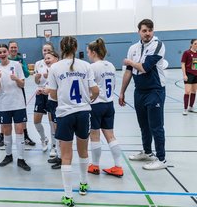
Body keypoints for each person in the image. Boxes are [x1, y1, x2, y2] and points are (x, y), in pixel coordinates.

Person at [47, 36, 99, 206]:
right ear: (76, 47)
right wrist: (87, 101)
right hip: (83, 113)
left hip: (64, 114)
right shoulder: (86, 66)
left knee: (66, 156)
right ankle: (83, 184)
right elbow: (95, 90)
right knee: (83, 151)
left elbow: (53, 95)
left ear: (61, 48)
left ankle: (68, 196)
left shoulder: (54, 67)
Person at [119, 19, 167, 170]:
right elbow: (128, 72)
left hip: (155, 90)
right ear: (139, 31)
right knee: (144, 125)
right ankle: (147, 152)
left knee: (156, 126)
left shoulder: (158, 45)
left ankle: (161, 159)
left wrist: (130, 62)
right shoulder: (133, 48)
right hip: (139, 91)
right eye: (144, 30)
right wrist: (122, 92)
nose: (147, 33)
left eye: (150, 30)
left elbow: (145, 67)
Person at [86, 38, 123, 177]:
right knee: (110, 136)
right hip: (109, 104)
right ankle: (118, 166)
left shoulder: (92, 67)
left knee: (94, 136)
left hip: (96, 105)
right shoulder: (111, 66)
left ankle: (95, 165)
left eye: (89, 52)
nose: (88, 55)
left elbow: (89, 87)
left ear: (94, 52)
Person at [0, 43, 31, 171]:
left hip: (18, 103)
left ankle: (21, 158)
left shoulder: (17, 65)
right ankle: (8, 156)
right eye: (0, 52)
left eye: (4, 51)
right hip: (4, 104)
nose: (2, 54)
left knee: (19, 130)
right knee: (7, 131)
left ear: (8, 52)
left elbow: (22, 85)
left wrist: (16, 79)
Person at [0, 40, 36, 147]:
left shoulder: (20, 60)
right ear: (8, 49)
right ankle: (2, 136)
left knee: (21, 115)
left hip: (18, 89)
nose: (13, 49)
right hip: (6, 91)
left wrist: (21, 66)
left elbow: (27, 74)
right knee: (5, 115)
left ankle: (25, 136)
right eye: (11, 47)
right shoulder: (4, 59)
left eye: (15, 47)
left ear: (17, 49)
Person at [33, 42, 57, 155]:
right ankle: (43, 139)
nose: (46, 52)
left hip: (52, 95)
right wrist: (37, 79)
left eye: (48, 50)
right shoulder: (38, 64)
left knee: (52, 122)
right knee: (36, 121)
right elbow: (37, 81)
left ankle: (53, 146)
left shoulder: (56, 65)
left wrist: (49, 77)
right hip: (40, 94)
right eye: (44, 50)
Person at [43, 50, 62, 169]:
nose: (47, 60)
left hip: (57, 102)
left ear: (56, 58)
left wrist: (46, 91)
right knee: (55, 129)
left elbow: (56, 88)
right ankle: (59, 155)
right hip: (52, 101)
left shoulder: (56, 68)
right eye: (45, 58)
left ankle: (61, 158)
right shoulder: (52, 69)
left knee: (59, 130)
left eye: (49, 58)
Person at [181, 39, 197, 115]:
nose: (196, 45)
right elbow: (183, 64)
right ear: (191, 44)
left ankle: (191, 107)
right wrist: (184, 74)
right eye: (195, 43)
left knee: (194, 91)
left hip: (196, 74)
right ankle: (185, 108)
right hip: (189, 74)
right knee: (187, 92)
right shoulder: (186, 53)